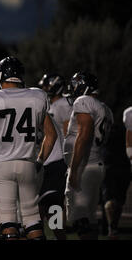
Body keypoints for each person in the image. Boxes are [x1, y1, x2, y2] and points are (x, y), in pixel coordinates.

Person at [0, 56, 57, 240]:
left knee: (8, 224)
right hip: (27, 164)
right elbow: (52, 135)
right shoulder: (36, 96)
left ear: (1, 76)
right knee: (33, 220)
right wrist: (40, 160)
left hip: (0, 166)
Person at [64, 72, 114, 240]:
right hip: (96, 164)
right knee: (89, 218)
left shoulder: (83, 101)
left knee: (80, 220)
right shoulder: (105, 108)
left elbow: (84, 135)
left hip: (85, 167)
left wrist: (75, 168)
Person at [37, 73, 71, 240]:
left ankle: (59, 237)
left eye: (46, 86)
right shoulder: (52, 106)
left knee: (51, 206)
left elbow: (67, 133)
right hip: (49, 161)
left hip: (55, 161)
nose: (44, 90)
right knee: (45, 207)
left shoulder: (60, 105)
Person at [100, 106, 132, 239]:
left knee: (108, 201)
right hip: (123, 166)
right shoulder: (124, 131)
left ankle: (110, 228)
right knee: (118, 201)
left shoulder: (106, 134)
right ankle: (113, 228)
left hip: (110, 166)